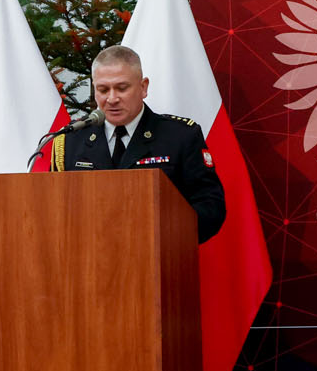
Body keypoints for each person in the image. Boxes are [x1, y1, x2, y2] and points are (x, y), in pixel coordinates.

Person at [50, 44, 226, 242]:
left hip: (159, 252)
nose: (112, 99)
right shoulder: (71, 140)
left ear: (143, 87)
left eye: (122, 88)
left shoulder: (180, 137)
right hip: (86, 255)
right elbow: (54, 209)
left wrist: (160, 232)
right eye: (103, 89)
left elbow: (210, 207)